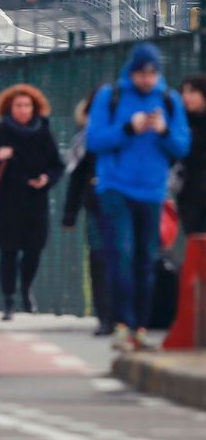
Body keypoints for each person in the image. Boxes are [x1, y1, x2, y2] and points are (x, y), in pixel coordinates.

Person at [87, 42, 190, 352]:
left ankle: (141, 327)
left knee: (147, 258)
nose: (146, 79)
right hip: (115, 186)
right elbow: (94, 140)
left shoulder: (169, 100)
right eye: (141, 73)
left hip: (152, 189)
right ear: (131, 71)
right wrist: (128, 128)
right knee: (120, 253)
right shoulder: (111, 96)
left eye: (152, 73)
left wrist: (162, 130)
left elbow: (181, 146)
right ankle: (122, 324)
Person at [0, 84, 64, 321]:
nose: (23, 109)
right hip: (5, 201)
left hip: (35, 201)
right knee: (8, 251)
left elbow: (57, 164)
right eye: (18, 105)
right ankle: (9, 300)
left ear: (35, 107)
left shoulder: (43, 131)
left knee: (34, 250)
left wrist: (46, 179)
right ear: (9, 108)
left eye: (27, 105)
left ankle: (26, 289)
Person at [62, 93, 112, 336]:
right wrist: (69, 213)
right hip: (96, 204)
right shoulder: (86, 140)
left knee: (125, 258)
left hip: (128, 202)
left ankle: (125, 316)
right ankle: (106, 315)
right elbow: (77, 176)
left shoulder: (126, 133)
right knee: (99, 258)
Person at [176, 75, 206, 235]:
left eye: (192, 91)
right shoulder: (181, 122)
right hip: (189, 194)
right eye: (184, 92)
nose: (186, 97)